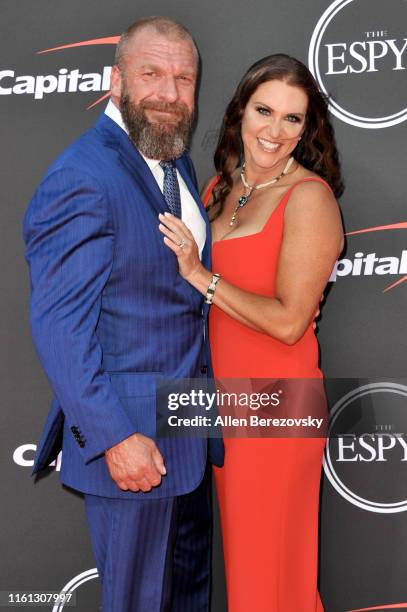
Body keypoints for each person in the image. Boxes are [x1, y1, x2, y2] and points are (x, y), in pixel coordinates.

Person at [23, 16, 223, 612]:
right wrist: (112, 439)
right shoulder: (82, 177)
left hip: (189, 440)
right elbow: (60, 328)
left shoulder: (170, 157)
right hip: (133, 448)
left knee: (185, 600)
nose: (169, 93)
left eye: (183, 79)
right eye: (152, 74)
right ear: (116, 81)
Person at [159, 54, 344, 611]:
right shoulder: (219, 186)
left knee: (270, 581)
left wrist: (199, 274)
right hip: (220, 405)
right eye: (265, 110)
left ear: (307, 128)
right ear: (241, 111)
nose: (275, 130)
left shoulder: (309, 197)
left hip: (276, 406)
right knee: (250, 577)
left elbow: (290, 322)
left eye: (293, 119)